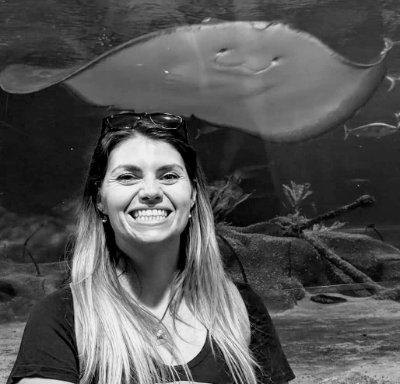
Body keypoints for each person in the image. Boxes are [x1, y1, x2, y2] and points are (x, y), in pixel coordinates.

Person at [7, 111, 295, 384]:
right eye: (127, 177)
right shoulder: (61, 317)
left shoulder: (240, 308)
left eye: (169, 176)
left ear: (193, 195)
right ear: (100, 200)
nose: (151, 192)